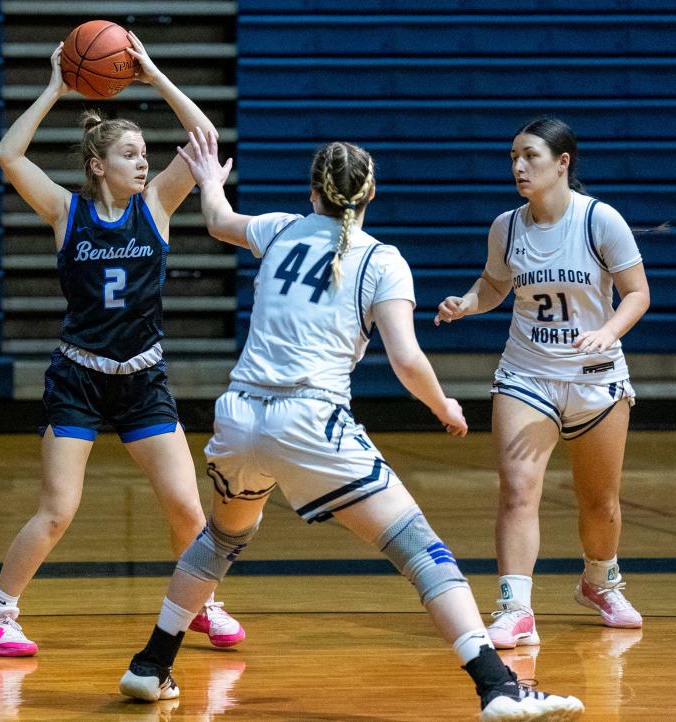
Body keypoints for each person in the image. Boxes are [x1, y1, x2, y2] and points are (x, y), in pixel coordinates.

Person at [118, 131, 585, 721]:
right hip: (310, 419)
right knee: (421, 551)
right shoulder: (379, 258)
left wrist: (210, 177)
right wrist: (444, 407)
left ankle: (150, 664)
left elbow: (217, 219)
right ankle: (498, 688)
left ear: (313, 191)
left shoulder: (282, 229)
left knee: (221, 538)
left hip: (238, 416)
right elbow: (407, 359)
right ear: (370, 195)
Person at [0, 33, 244, 656]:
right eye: (129, 154)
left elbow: (204, 138)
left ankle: (203, 605)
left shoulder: (157, 205)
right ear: (99, 166)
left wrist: (153, 74)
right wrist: (52, 89)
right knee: (58, 511)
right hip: (79, 379)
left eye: (145, 152)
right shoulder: (67, 213)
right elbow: (8, 154)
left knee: (185, 507)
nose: (144, 162)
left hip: (143, 379)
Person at [435, 116, 649, 650]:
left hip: (596, 379)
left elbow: (638, 294)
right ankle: (515, 607)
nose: (518, 166)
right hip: (526, 374)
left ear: (563, 163)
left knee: (600, 502)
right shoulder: (506, 226)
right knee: (517, 492)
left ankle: (599, 582)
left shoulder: (601, 221)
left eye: (530, 156)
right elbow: (493, 284)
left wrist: (607, 330)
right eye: (513, 157)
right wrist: (468, 303)